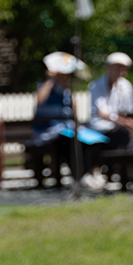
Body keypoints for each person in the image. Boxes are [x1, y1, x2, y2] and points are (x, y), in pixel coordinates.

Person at [27, 52, 84, 189]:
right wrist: (51, 80)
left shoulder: (66, 90)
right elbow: (39, 101)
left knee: (79, 143)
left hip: (64, 130)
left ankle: (82, 175)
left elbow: (73, 111)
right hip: (47, 131)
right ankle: (76, 177)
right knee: (65, 143)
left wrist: (69, 92)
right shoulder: (45, 86)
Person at [88, 51, 133, 188]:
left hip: (117, 126)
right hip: (99, 127)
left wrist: (127, 123)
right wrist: (122, 121)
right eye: (116, 67)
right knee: (128, 135)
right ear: (108, 67)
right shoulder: (95, 85)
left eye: (122, 68)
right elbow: (102, 113)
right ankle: (127, 171)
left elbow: (126, 111)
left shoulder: (126, 86)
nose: (119, 71)